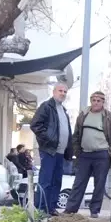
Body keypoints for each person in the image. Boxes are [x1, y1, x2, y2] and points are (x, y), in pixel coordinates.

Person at [63, 90, 111, 218]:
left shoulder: (109, 117)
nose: (96, 103)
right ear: (91, 101)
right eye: (94, 100)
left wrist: (110, 151)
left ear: (103, 102)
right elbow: (76, 135)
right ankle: (70, 209)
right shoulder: (83, 115)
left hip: (102, 154)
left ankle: (95, 210)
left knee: (100, 183)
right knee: (79, 182)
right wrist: (77, 151)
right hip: (85, 154)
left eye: (99, 101)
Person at [29, 83, 73, 215]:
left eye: (65, 91)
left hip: (60, 152)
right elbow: (35, 125)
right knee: (46, 180)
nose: (63, 93)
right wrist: (49, 139)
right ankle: (42, 209)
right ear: (54, 92)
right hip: (49, 150)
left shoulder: (63, 110)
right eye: (60, 90)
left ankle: (51, 208)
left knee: (56, 181)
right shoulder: (46, 106)